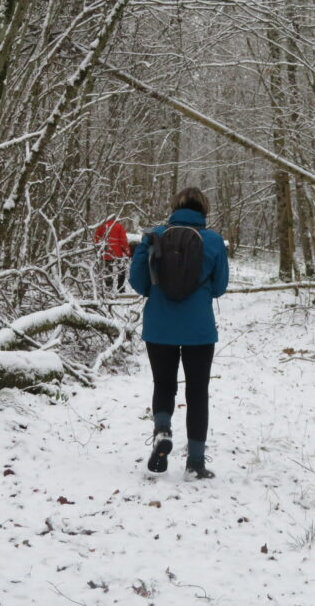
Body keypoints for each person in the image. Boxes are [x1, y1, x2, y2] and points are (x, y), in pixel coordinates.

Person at [129, 187, 229, 479]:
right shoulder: (213, 241)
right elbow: (220, 287)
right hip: (199, 329)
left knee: (163, 384)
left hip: (159, 326)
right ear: (204, 210)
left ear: (174, 208)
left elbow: (138, 282)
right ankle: (195, 464)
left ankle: (162, 431)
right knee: (197, 392)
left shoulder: (154, 237)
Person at [94, 216, 131, 292]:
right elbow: (123, 241)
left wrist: (99, 251)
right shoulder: (119, 226)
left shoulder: (101, 226)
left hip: (106, 253)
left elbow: (97, 239)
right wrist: (127, 252)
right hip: (117, 253)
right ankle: (121, 288)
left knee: (108, 271)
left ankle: (109, 288)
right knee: (121, 269)